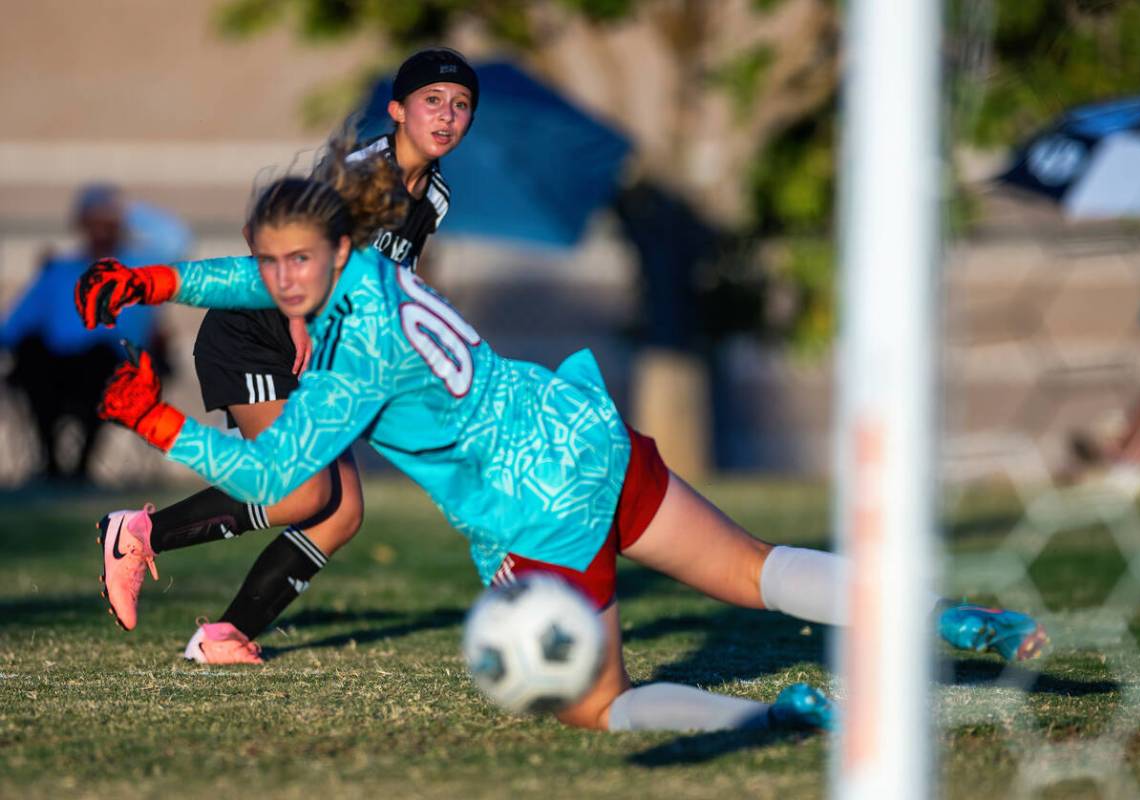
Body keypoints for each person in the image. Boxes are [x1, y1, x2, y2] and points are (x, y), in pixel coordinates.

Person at [75, 142, 1048, 734]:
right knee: (752, 566)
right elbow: (264, 275)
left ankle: (777, 713)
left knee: (592, 703)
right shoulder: (366, 264)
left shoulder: (349, 367)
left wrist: (153, 419)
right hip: (579, 426)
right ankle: (960, 621)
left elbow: (275, 472)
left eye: (295, 263)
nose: (280, 279)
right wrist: (156, 282)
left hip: (534, 502)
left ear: (330, 252)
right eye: (270, 263)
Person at [96, 47, 478, 664]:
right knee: (299, 492)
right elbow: (263, 229)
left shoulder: (434, 199)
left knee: (342, 511)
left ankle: (225, 637)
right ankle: (137, 534)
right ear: (397, 110)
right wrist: (298, 313)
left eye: (461, 106)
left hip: (318, 361)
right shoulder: (359, 171)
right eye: (432, 100)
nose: (447, 115)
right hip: (254, 335)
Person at [0, 184, 172, 484]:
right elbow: (13, 327)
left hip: (110, 366)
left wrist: (126, 210)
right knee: (32, 357)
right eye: (94, 221)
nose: (101, 230)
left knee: (101, 360)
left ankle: (81, 466)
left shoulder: (139, 269)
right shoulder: (59, 270)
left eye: (108, 222)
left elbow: (176, 240)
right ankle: (50, 464)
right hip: (55, 368)